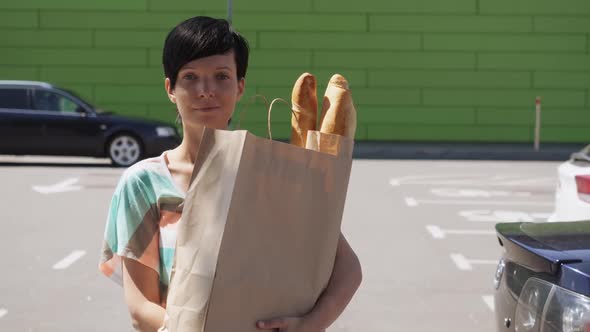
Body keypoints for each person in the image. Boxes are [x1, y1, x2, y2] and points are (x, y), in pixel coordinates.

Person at [99, 16, 362, 332]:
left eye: (221, 76)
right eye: (191, 77)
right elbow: (141, 308)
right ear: (170, 88)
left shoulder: (267, 173)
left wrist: (309, 324)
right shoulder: (144, 183)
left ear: (240, 86)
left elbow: (348, 269)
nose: (206, 90)